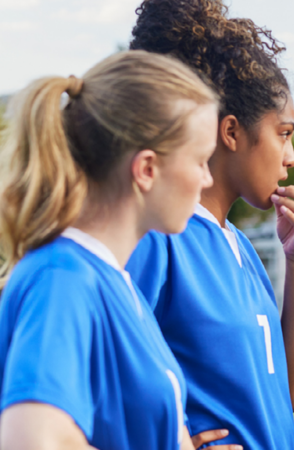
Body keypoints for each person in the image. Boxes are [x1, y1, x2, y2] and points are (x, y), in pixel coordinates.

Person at [0, 51, 218, 450]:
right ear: (147, 169)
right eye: (202, 160)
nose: (207, 179)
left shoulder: (115, 282)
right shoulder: (62, 277)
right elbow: (29, 439)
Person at [125, 1, 294, 449]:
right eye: (284, 133)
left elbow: (289, 394)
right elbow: (103, 373)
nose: (291, 157)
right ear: (231, 132)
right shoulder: (159, 238)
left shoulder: (240, 247)